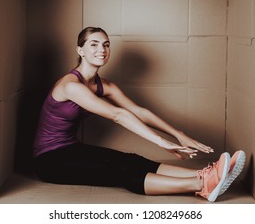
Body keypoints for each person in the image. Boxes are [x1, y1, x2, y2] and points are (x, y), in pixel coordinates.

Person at [33, 27, 246, 202]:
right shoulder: (71, 86)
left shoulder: (103, 85)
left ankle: (207, 174)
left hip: (70, 148)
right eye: (94, 44)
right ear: (80, 51)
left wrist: (177, 133)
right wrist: (161, 142)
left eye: (106, 44)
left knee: (130, 159)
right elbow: (118, 114)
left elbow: (138, 111)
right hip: (49, 160)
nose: (102, 49)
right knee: (118, 169)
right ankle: (201, 185)